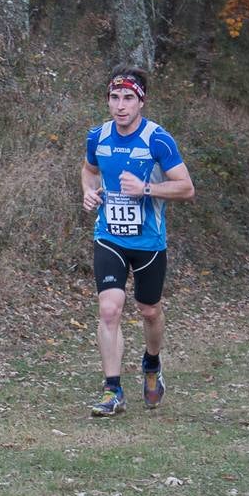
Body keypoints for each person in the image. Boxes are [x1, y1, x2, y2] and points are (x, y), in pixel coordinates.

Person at [80, 67, 194, 417]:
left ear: (141, 101)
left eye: (128, 97)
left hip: (148, 242)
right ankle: (112, 390)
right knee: (110, 308)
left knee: (149, 310)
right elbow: (88, 169)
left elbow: (186, 187)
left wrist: (146, 189)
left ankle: (152, 363)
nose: (120, 105)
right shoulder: (97, 136)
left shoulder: (157, 139)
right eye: (114, 97)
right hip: (109, 237)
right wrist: (88, 192)